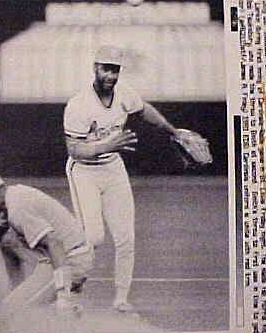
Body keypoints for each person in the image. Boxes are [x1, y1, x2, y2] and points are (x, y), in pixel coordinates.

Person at [63, 45, 184, 313]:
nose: (111, 75)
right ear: (95, 68)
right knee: (93, 237)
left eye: (115, 70)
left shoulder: (123, 94)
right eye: (106, 68)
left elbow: (143, 110)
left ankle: (120, 299)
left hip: (113, 169)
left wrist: (173, 131)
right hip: (84, 172)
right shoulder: (79, 105)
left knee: (126, 238)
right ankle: (71, 289)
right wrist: (106, 146)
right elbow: (74, 149)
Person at [0, 167, 94, 315]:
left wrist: (63, 294)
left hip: (71, 260)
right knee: (7, 241)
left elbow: (54, 243)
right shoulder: (13, 196)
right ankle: (22, 296)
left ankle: (62, 308)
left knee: (7, 314)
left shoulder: (18, 209)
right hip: (63, 255)